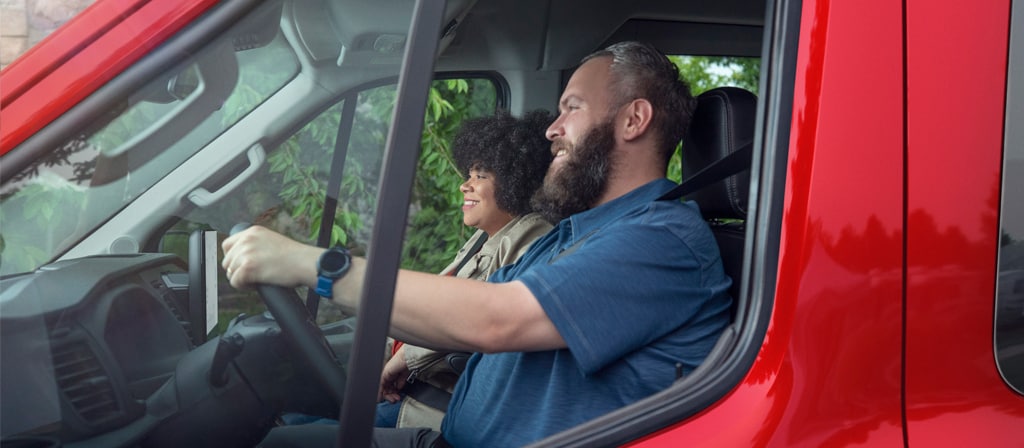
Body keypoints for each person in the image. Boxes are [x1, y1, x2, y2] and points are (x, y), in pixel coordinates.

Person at [223, 40, 733, 447]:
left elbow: (495, 316)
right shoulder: (574, 233)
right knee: (276, 436)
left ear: (633, 120)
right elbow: (475, 316)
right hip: (450, 435)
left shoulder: (662, 240)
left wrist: (314, 265)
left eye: (571, 108)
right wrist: (406, 356)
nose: (552, 129)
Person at [375, 110, 555, 430]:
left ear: (516, 179)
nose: (464, 186)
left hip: (433, 410)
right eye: (469, 174)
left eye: (480, 176)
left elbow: (478, 316)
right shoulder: (484, 237)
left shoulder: (530, 236)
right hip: (411, 394)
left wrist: (401, 360)